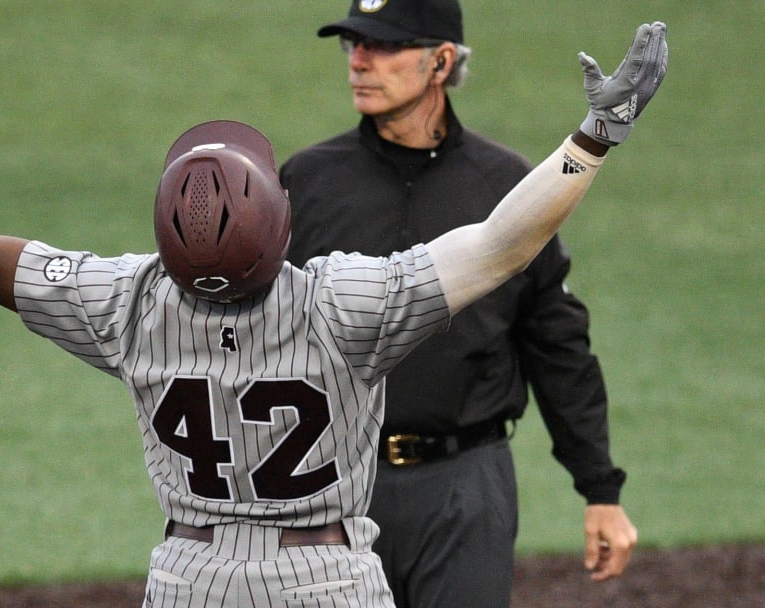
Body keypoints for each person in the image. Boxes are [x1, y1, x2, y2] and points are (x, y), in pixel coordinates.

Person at [0, 20, 665, 608]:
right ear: (282, 229)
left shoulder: (127, 298)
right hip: (327, 582)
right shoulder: (344, 304)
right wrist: (594, 137)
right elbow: (504, 243)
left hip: (190, 581)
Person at [280, 2, 653, 606]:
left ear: (441, 61)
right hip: (331, 485)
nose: (359, 61)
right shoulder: (307, 181)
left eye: (382, 45)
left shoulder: (505, 186)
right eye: (351, 44)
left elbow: (556, 343)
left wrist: (600, 488)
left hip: (464, 488)